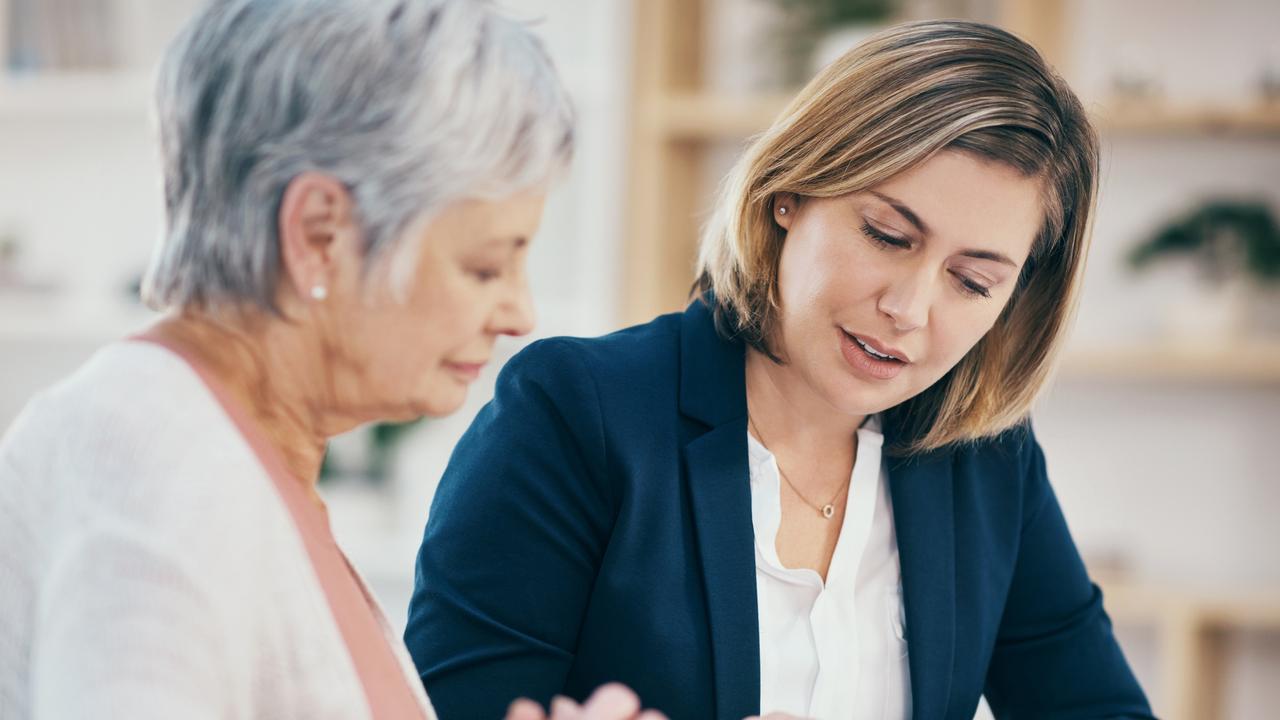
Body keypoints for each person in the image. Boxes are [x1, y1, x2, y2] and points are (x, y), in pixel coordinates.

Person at [404, 19, 1155, 720]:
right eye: (887, 235)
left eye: (972, 281)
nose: (908, 308)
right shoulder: (575, 411)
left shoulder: (988, 462)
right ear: (790, 192)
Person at [0, 1, 656, 718]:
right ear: (318, 234)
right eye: (484, 267)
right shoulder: (159, 468)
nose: (519, 315)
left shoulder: (230, 456)